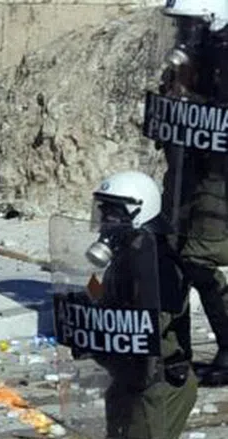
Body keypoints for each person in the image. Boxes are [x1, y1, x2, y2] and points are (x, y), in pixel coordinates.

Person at [76, 171, 196, 439]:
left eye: (116, 213)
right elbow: (105, 300)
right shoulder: (127, 255)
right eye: (105, 211)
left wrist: (100, 327)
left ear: (140, 214)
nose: (108, 221)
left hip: (159, 384)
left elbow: (142, 330)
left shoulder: (160, 265)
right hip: (131, 379)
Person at [154, 0, 228, 385]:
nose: (183, 31)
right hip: (184, 170)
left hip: (218, 178)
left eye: (189, 23)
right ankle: (171, 349)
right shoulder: (191, 59)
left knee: (200, 256)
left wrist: (196, 103)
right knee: (169, 251)